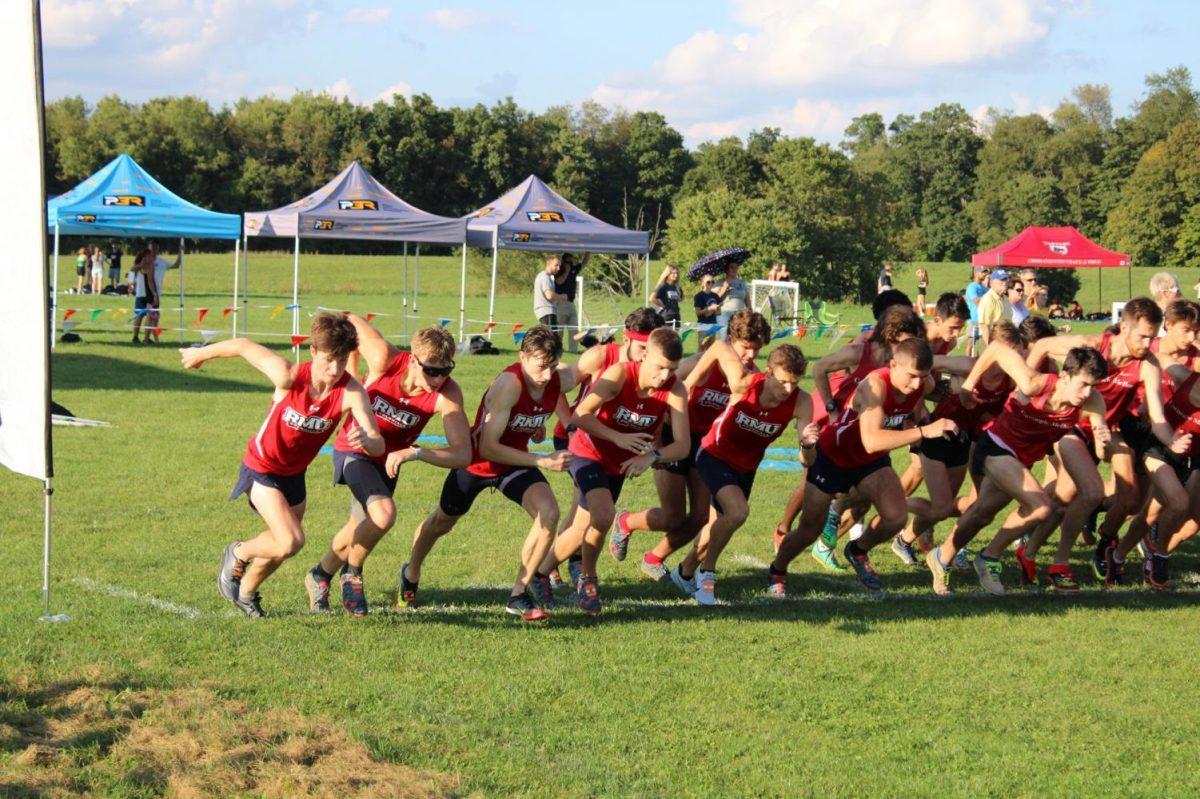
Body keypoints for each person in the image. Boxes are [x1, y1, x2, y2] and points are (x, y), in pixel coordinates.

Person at [188, 313, 384, 618]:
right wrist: (199, 354)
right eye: (329, 360)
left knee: (280, 547)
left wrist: (367, 441)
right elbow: (243, 345)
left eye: (342, 360)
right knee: (291, 540)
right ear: (314, 352)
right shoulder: (288, 376)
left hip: (294, 474)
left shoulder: (351, 392)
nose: (335, 370)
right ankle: (238, 552)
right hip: (261, 467)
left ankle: (246, 592)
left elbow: (377, 442)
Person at [398, 326, 578, 621]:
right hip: (478, 461)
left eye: (553, 365)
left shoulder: (557, 379)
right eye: (541, 366)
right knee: (440, 523)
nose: (547, 375)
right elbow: (489, 447)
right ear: (522, 357)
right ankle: (411, 572)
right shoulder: (510, 384)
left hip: (516, 463)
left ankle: (518, 595)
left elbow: (591, 367)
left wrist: (534, 426)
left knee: (549, 513)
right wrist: (542, 461)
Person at [305, 321, 471, 617]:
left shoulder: (448, 394)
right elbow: (350, 322)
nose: (438, 379)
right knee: (384, 515)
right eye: (431, 370)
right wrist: (352, 378)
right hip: (354, 448)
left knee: (359, 527)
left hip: (389, 459)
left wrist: (416, 452)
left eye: (446, 370)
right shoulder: (385, 358)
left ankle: (319, 575)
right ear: (412, 359)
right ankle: (352, 574)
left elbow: (462, 454)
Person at [768, 338, 951, 596]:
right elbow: (873, 440)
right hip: (833, 456)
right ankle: (777, 570)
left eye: (922, 377)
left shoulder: (924, 384)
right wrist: (925, 431)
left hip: (870, 462)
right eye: (911, 376)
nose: (917, 384)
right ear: (893, 365)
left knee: (896, 516)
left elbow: (930, 390)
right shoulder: (874, 385)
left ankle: (857, 549)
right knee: (810, 528)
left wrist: (953, 392)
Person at [1020, 298, 1180, 590]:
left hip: (1105, 431)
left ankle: (1030, 552)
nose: (1148, 343)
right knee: (1088, 493)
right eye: (1142, 335)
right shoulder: (1094, 345)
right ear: (1124, 327)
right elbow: (1042, 345)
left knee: (1073, 500)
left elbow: (1157, 416)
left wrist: (1173, 439)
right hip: (1068, 425)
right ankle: (1059, 563)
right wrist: (1023, 392)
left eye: (1153, 337)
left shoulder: (1148, 365)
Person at [927, 342, 1110, 595]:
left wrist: (1103, 440)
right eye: (1083, 384)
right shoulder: (1034, 383)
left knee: (982, 512)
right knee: (1041, 507)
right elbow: (996, 349)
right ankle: (989, 557)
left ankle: (941, 557)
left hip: (1021, 461)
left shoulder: (1093, 403)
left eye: (1094, 386)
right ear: (1065, 376)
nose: (1088, 392)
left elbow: (1102, 451)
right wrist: (968, 385)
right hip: (995, 447)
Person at [539, 328, 691, 616]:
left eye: (671, 370)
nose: (663, 376)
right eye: (659, 367)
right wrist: (619, 438)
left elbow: (683, 445)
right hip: (587, 452)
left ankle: (539, 574)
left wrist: (652, 456)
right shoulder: (619, 374)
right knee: (604, 514)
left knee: (584, 526)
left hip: (617, 464)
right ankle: (588, 578)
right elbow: (581, 415)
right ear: (644, 354)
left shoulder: (675, 388)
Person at [616, 310, 772, 583]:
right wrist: (655, 437)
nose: (750, 356)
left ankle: (654, 558)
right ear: (731, 340)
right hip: (671, 438)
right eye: (746, 348)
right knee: (672, 517)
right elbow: (661, 390)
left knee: (700, 516)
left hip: (704, 447)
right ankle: (626, 522)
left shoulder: (751, 376)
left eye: (756, 350)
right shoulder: (703, 362)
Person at [672, 342, 818, 604]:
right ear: (769, 372)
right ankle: (707, 577)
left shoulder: (802, 402)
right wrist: (690, 382)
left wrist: (807, 445)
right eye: (784, 382)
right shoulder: (744, 383)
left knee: (718, 526)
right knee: (738, 512)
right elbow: (717, 347)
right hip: (713, 454)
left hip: (746, 467)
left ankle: (684, 572)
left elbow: (806, 460)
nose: (788, 390)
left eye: (795, 383)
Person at [146, 242, 182, 344]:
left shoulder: (161, 261)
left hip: (156, 293)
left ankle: (148, 339)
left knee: (153, 316)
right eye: (152, 248)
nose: (153, 250)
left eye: (155, 248)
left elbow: (176, 265)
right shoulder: (146, 260)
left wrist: (180, 252)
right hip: (148, 292)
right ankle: (153, 340)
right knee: (152, 316)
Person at [555, 253, 586, 353]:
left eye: (571, 261)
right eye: (569, 261)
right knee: (559, 329)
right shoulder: (559, 270)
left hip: (571, 303)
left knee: (574, 328)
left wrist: (588, 252)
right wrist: (566, 272)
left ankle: (573, 350)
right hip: (561, 303)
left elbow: (584, 264)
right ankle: (558, 349)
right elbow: (559, 282)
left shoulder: (573, 270)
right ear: (564, 261)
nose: (570, 263)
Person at [533, 254, 566, 341]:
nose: (558, 268)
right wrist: (562, 297)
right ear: (548, 263)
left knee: (548, 338)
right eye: (556, 265)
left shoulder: (545, 276)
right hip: (547, 311)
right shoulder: (545, 277)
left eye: (559, 265)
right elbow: (549, 295)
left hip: (546, 311)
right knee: (551, 339)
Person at [976, 269, 1013, 344]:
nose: (1005, 282)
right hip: (990, 342)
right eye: (1001, 280)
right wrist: (990, 347)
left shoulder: (1005, 298)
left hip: (1004, 341)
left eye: (1006, 279)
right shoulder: (988, 299)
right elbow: (983, 325)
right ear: (992, 282)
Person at [713, 262, 747, 328]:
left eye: (736, 267)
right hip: (725, 314)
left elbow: (747, 298)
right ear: (726, 269)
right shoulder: (720, 283)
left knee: (739, 337)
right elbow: (714, 300)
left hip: (741, 315)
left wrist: (750, 312)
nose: (734, 269)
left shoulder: (742, 282)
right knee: (724, 337)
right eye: (732, 267)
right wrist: (724, 288)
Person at [965, 265, 989, 355]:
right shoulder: (972, 287)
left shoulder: (983, 287)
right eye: (982, 272)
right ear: (976, 273)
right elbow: (977, 301)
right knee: (971, 345)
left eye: (985, 272)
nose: (984, 274)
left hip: (982, 320)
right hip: (973, 320)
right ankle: (967, 365)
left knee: (981, 345)